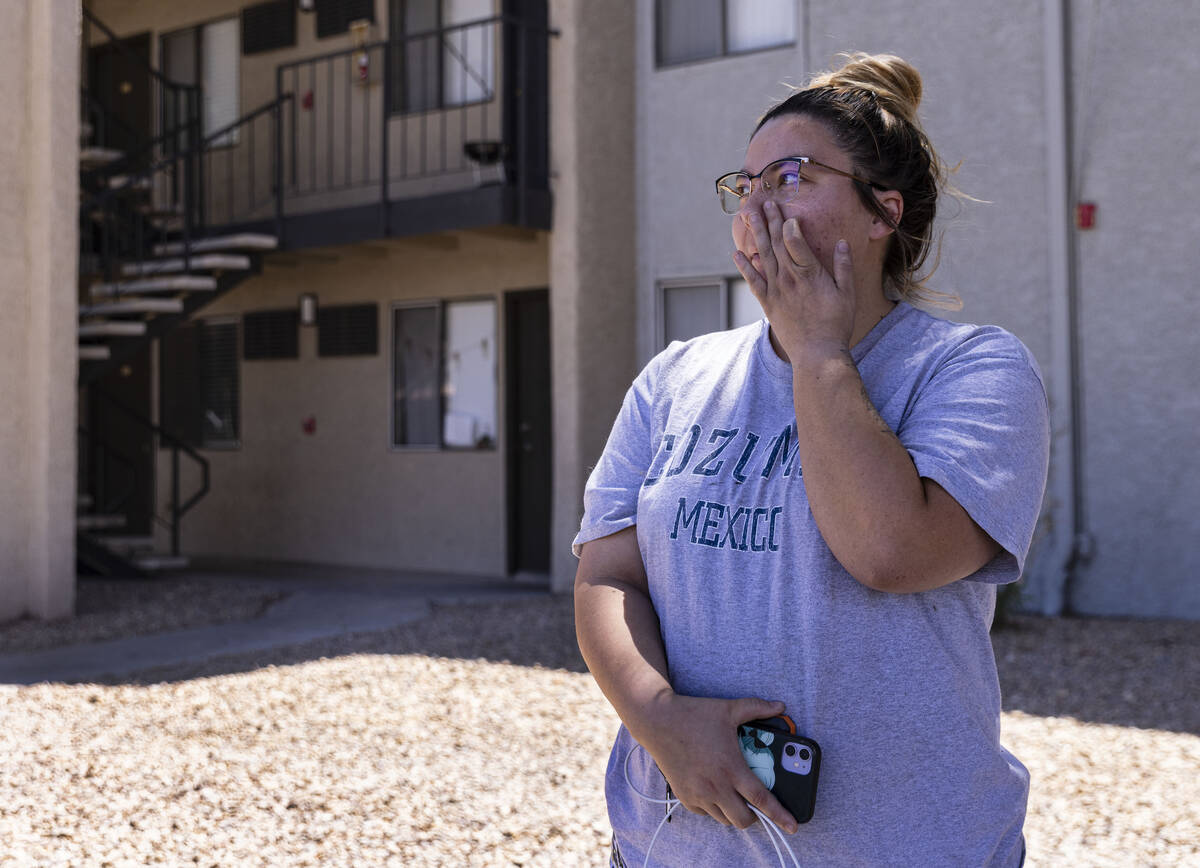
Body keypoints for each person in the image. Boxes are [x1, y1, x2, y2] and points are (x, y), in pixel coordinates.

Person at [572, 52, 1049, 867]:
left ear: (881, 213)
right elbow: (609, 574)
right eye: (745, 182)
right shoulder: (676, 377)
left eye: (790, 175)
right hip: (672, 847)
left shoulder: (974, 370)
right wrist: (662, 720)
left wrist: (819, 351)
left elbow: (891, 552)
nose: (759, 201)